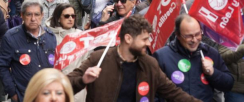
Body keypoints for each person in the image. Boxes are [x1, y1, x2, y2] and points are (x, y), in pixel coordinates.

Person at [67, 15, 201, 102]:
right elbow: (65, 84)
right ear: (128, 38)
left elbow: (174, 93)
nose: (149, 43)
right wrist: (83, 80)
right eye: (144, 39)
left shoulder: (150, 64)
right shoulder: (99, 58)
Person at [154, 15, 234, 101]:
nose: (194, 40)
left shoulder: (210, 53)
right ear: (178, 35)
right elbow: (154, 91)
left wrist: (213, 73)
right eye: (188, 36)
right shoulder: (161, 56)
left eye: (198, 34)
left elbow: (228, 84)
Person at [0, 0, 57, 102]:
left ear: (42, 15)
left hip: (47, 96)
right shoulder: (11, 37)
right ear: (22, 15)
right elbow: (2, 66)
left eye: (37, 14)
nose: (33, 19)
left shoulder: (50, 37)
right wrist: (13, 93)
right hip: (23, 95)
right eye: (29, 14)